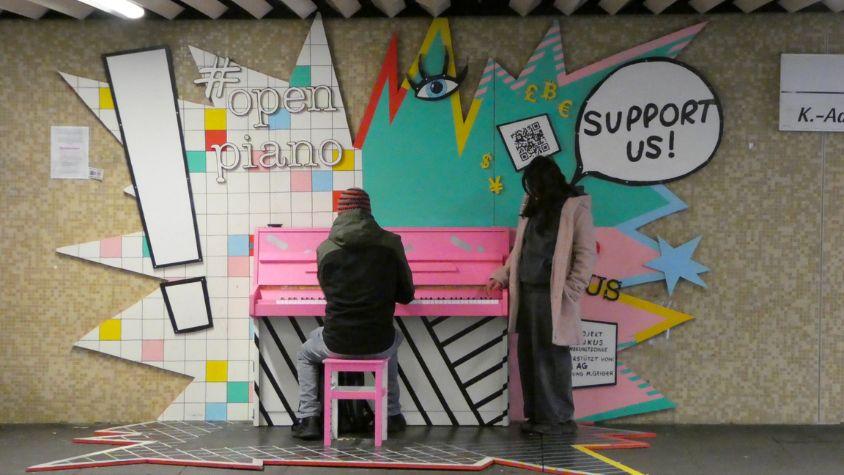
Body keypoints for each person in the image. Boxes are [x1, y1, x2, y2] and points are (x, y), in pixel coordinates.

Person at [293, 187, 414, 440]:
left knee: (305, 352)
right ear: (369, 212)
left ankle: (309, 417)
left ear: (340, 213)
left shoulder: (325, 249)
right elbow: (406, 295)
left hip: (337, 341)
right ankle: (392, 416)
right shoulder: (392, 243)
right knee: (391, 341)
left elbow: (329, 293)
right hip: (379, 341)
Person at [486, 156, 596, 435]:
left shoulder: (574, 208)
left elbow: (586, 254)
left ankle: (557, 418)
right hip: (528, 292)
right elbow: (519, 249)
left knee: (552, 357)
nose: (531, 191)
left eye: (535, 185)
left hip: (553, 295)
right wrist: (502, 275)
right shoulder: (531, 205)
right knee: (529, 356)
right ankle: (536, 416)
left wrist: (570, 290)